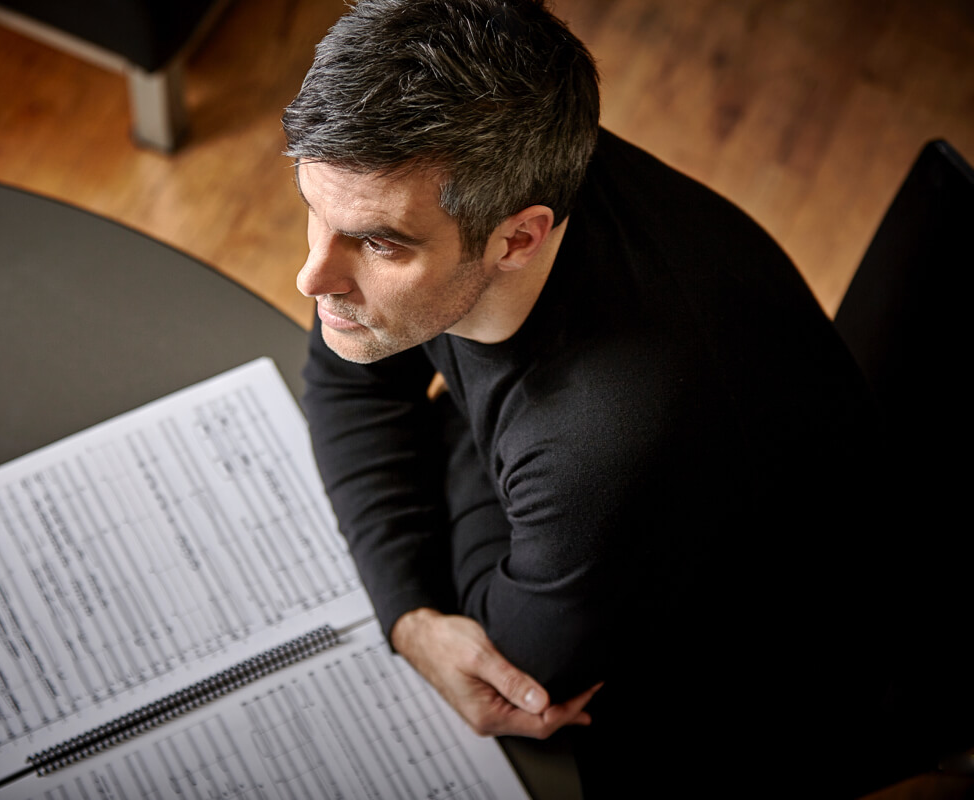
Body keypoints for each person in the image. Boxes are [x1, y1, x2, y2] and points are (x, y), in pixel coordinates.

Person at [282, 0, 899, 795]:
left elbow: (516, 665)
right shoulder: (499, 156)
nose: (312, 276)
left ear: (518, 237)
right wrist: (409, 615)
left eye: (377, 242)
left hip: (745, 711)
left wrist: (451, 433)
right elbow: (346, 374)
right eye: (313, 211)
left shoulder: (604, 441)